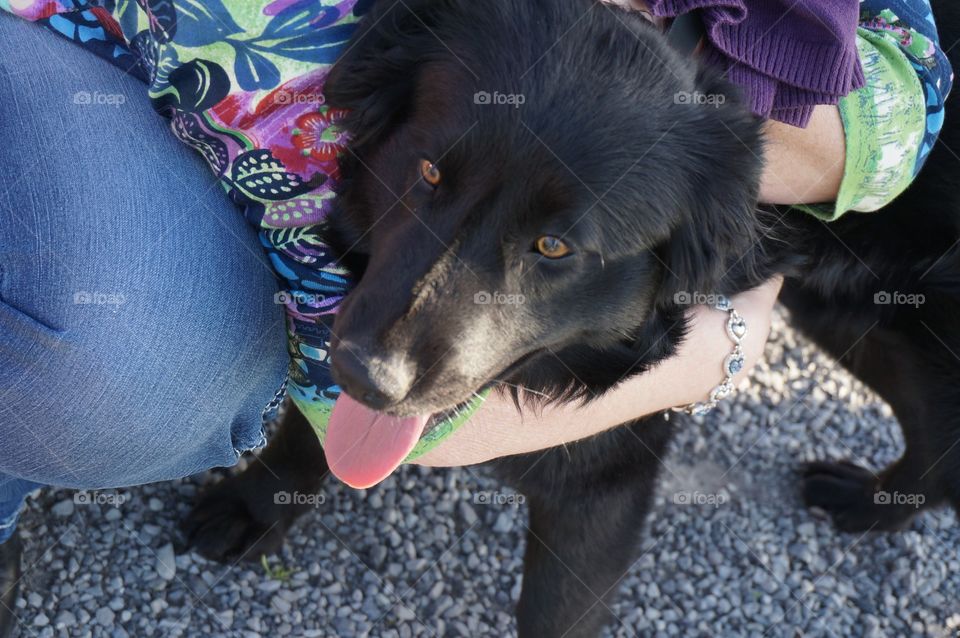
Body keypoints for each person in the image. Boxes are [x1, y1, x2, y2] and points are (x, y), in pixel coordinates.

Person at [0, 0, 950, 634]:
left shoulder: (669, 227)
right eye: (427, 177)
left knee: (895, 348)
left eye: (552, 250)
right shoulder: (395, 67)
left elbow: (898, 73)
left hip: (835, 172)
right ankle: (273, 486)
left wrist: (727, 331)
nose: (390, 353)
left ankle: (926, 476)